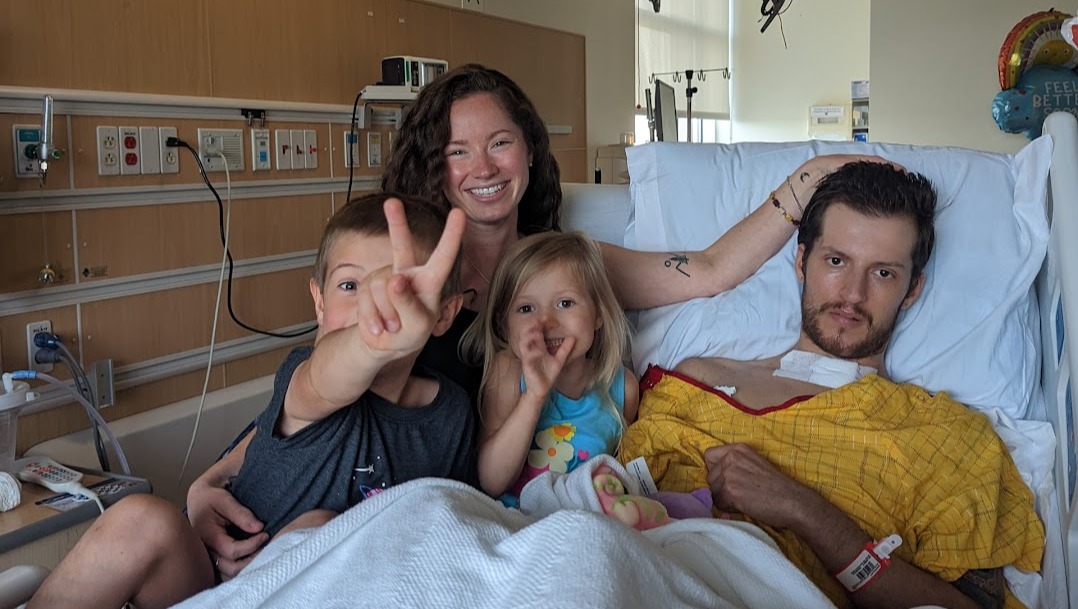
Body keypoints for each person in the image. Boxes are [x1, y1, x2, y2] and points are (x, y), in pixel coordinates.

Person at [188, 61, 891, 578]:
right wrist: (213, 476)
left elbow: (708, 269)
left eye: (499, 141)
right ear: (433, 167)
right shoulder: (404, 271)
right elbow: (323, 389)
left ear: (528, 149)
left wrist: (805, 181)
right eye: (457, 150)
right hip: (357, 517)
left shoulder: (569, 266)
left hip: (470, 523)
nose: (482, 166)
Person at [618, 161, 1045, 609]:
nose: (853, 294)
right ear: (802, 262)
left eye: (883, 273)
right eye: (837, 261)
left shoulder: (946, 439)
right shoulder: (692, 383)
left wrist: (805, 511)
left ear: (913, 289)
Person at [27, 193, 474, 609]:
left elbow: (449, 525)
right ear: (318, 301)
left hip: (321, 590)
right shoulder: (307, 381)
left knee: (323, 530)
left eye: (396, 289)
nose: (370, 310)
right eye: (349, 286)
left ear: (444, 313)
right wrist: (372, 343)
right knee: (139, 520)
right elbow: (328, 378)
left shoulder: (451, 413)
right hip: (211, 583)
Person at [463, 231, 638, 505]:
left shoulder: (623, 388)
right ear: (503, 324)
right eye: (526, 309)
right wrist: (534, 397)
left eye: (565, 303)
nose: (545, 322)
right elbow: (491, 482)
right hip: (518, 521)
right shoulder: (508, 372)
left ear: (598, 314)